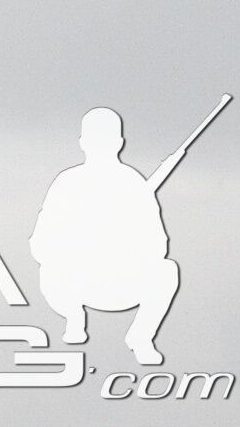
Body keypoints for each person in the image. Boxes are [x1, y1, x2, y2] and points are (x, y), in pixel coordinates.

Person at [29, 107, 184, 366]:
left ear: (82, 143)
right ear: (119, 143)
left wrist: (122, 242)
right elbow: (40, 244)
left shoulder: (133, 184)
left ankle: (140, 337)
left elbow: (158, 246)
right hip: (74, 284)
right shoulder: (67, 183)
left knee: (167, 271)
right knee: (50, 268)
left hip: (120, 283)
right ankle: (74, 318)